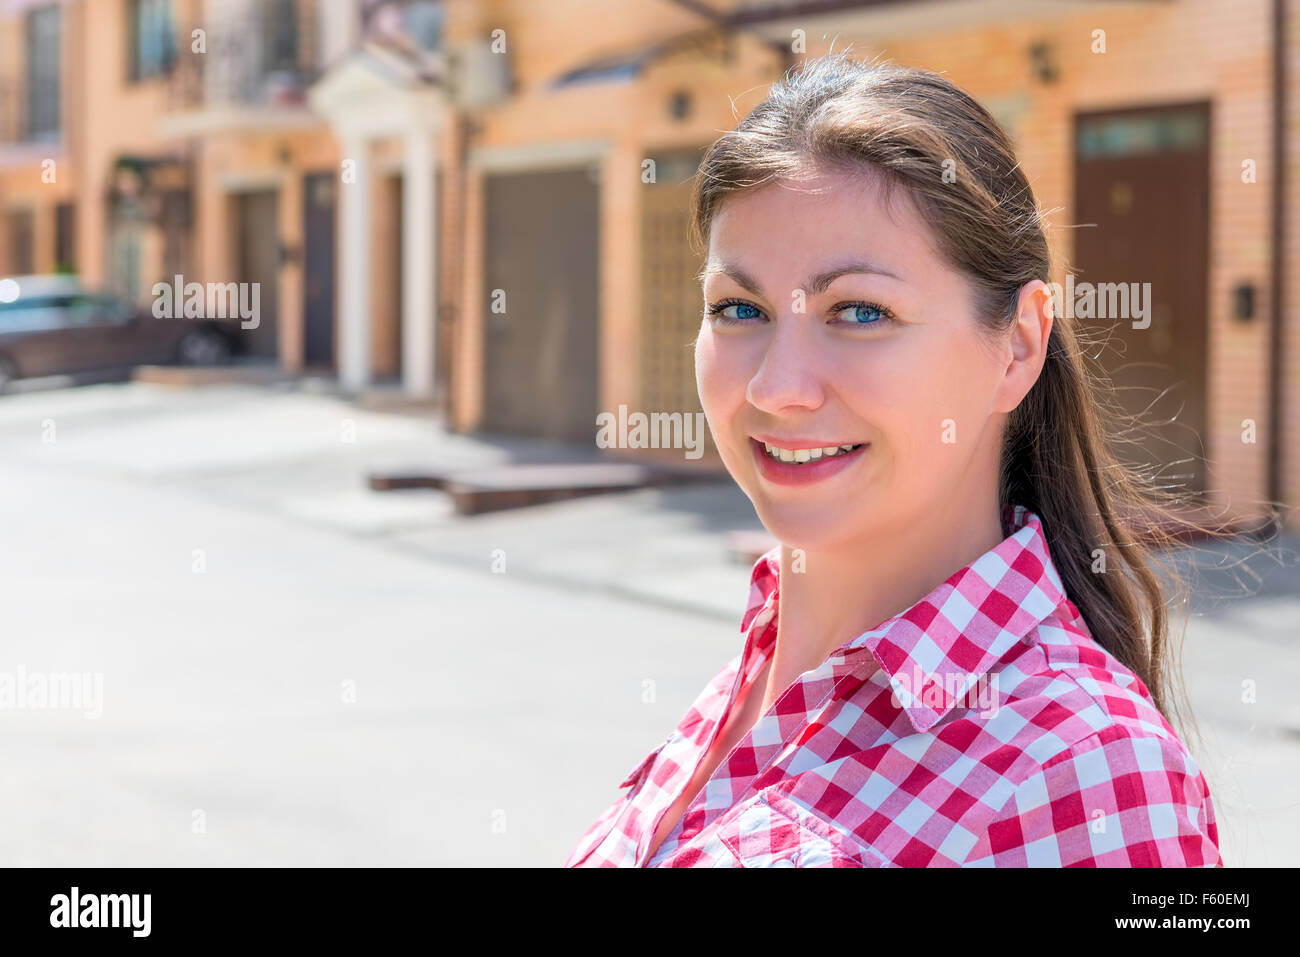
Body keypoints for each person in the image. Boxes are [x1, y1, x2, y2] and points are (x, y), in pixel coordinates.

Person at [567, 52, 1226, 867]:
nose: (779, 388)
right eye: (740, 307)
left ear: (1017, 347)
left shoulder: (1087, 770)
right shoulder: (771, 656)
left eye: (861, 311)